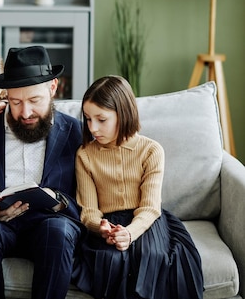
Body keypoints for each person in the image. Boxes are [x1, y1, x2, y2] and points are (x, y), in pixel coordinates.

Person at [0, 45, 84, 299]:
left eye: (34, 101)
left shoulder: (76, 133)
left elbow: (90, 196)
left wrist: (58, 202)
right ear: (6, 96)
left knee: (59, 231)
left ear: (53, 88)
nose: (25, 113)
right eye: (15, 102)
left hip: (50, 222)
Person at [73, 75, 203, 299]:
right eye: (87, 119)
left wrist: (130, 233)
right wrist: (100, 226)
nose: (92, 128)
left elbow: (150, 207)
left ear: (123, 114)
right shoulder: (84, 155)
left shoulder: (152, 151)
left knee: (153, 256)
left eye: (101, 119)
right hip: (109, 223)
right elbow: (89, 211)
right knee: (110, 260)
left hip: (145, 220)